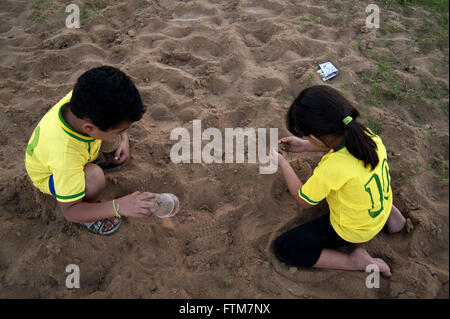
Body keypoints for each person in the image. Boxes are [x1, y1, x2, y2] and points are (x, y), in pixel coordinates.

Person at [271, 85, 406, 277]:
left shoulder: (333, 167)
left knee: (284, 247)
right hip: (380, 208)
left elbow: (304, 200)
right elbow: (339, 145)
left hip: (355, 229)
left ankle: (354, 261)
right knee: (362, 179)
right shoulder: (367, 136)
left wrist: (283, 164)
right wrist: (305, 146)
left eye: (306, 137)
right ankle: (393, 216)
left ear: (314, 136)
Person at [24, 66, 155, 235]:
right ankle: (88, 218)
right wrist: (119, 206)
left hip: (75, 147)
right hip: (49, 175)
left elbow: (112, 114)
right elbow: (70, 211)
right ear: (89, 128)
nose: (123, 133)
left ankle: (103, 146)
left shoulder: (85, 99)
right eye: (120, 130)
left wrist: (123, 139)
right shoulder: (65, 156)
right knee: (94, 178)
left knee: (112, 144)